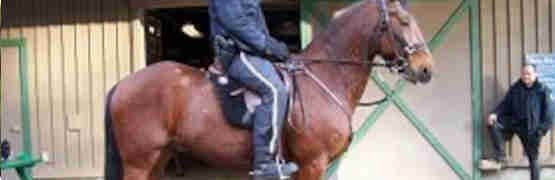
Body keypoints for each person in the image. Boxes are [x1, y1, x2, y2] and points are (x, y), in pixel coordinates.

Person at [208, 0, 298, 179]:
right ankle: (264, 165)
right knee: (275, 90)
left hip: (251, 52)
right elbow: (236, 23)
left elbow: (256, 27)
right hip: (237, 54)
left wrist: (273, 47)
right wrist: (268, 46)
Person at [487, 64, 554, 180]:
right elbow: (505, 104)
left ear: (535, 74)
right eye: (524, 73)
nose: (526, 76)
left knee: (533, 159)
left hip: (532, 129)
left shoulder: (542, 90)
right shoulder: (515, 88)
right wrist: (495, 113)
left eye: (529, 73)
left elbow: (549, 114)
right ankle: (501, 156)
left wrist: (540, 131)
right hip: (515, 123)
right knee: (493, 123)